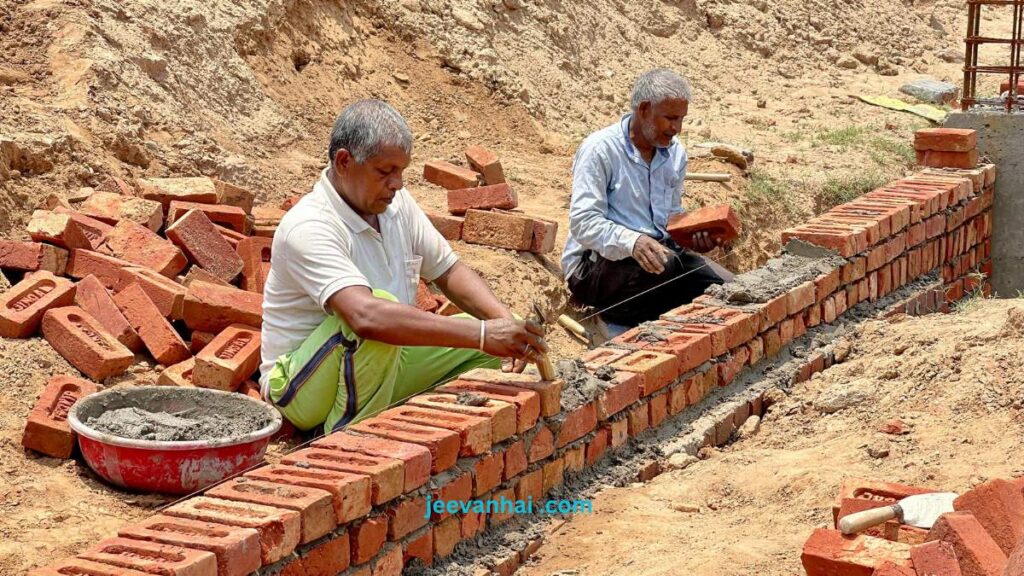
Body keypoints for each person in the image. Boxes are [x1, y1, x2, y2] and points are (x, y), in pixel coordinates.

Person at [259, 100, 547, 434]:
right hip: (302, 388)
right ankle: (346, 442)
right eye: (385, 172)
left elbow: (449, 271)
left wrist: (504, 325)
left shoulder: (396, 205)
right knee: (381, 319)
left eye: (401, 172)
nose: (397, 183)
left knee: (491, 352)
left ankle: (440, 435)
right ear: (343, 162)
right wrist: (484, 335)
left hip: (383, 360)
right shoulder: (309, 225)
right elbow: (365, 317)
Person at [561, 69, 735, 335]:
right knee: (664, 266)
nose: (677, 129)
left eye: (681, 119)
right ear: (643, 110)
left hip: (656, 260)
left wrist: (694, 237)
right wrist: (632, 241)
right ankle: (612, 322)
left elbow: (670, 220)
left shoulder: (675, 153)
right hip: (597, 266)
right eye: (670, 118)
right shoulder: (600, 149)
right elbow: (583, 223)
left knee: (731, 290)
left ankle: (666, 321)